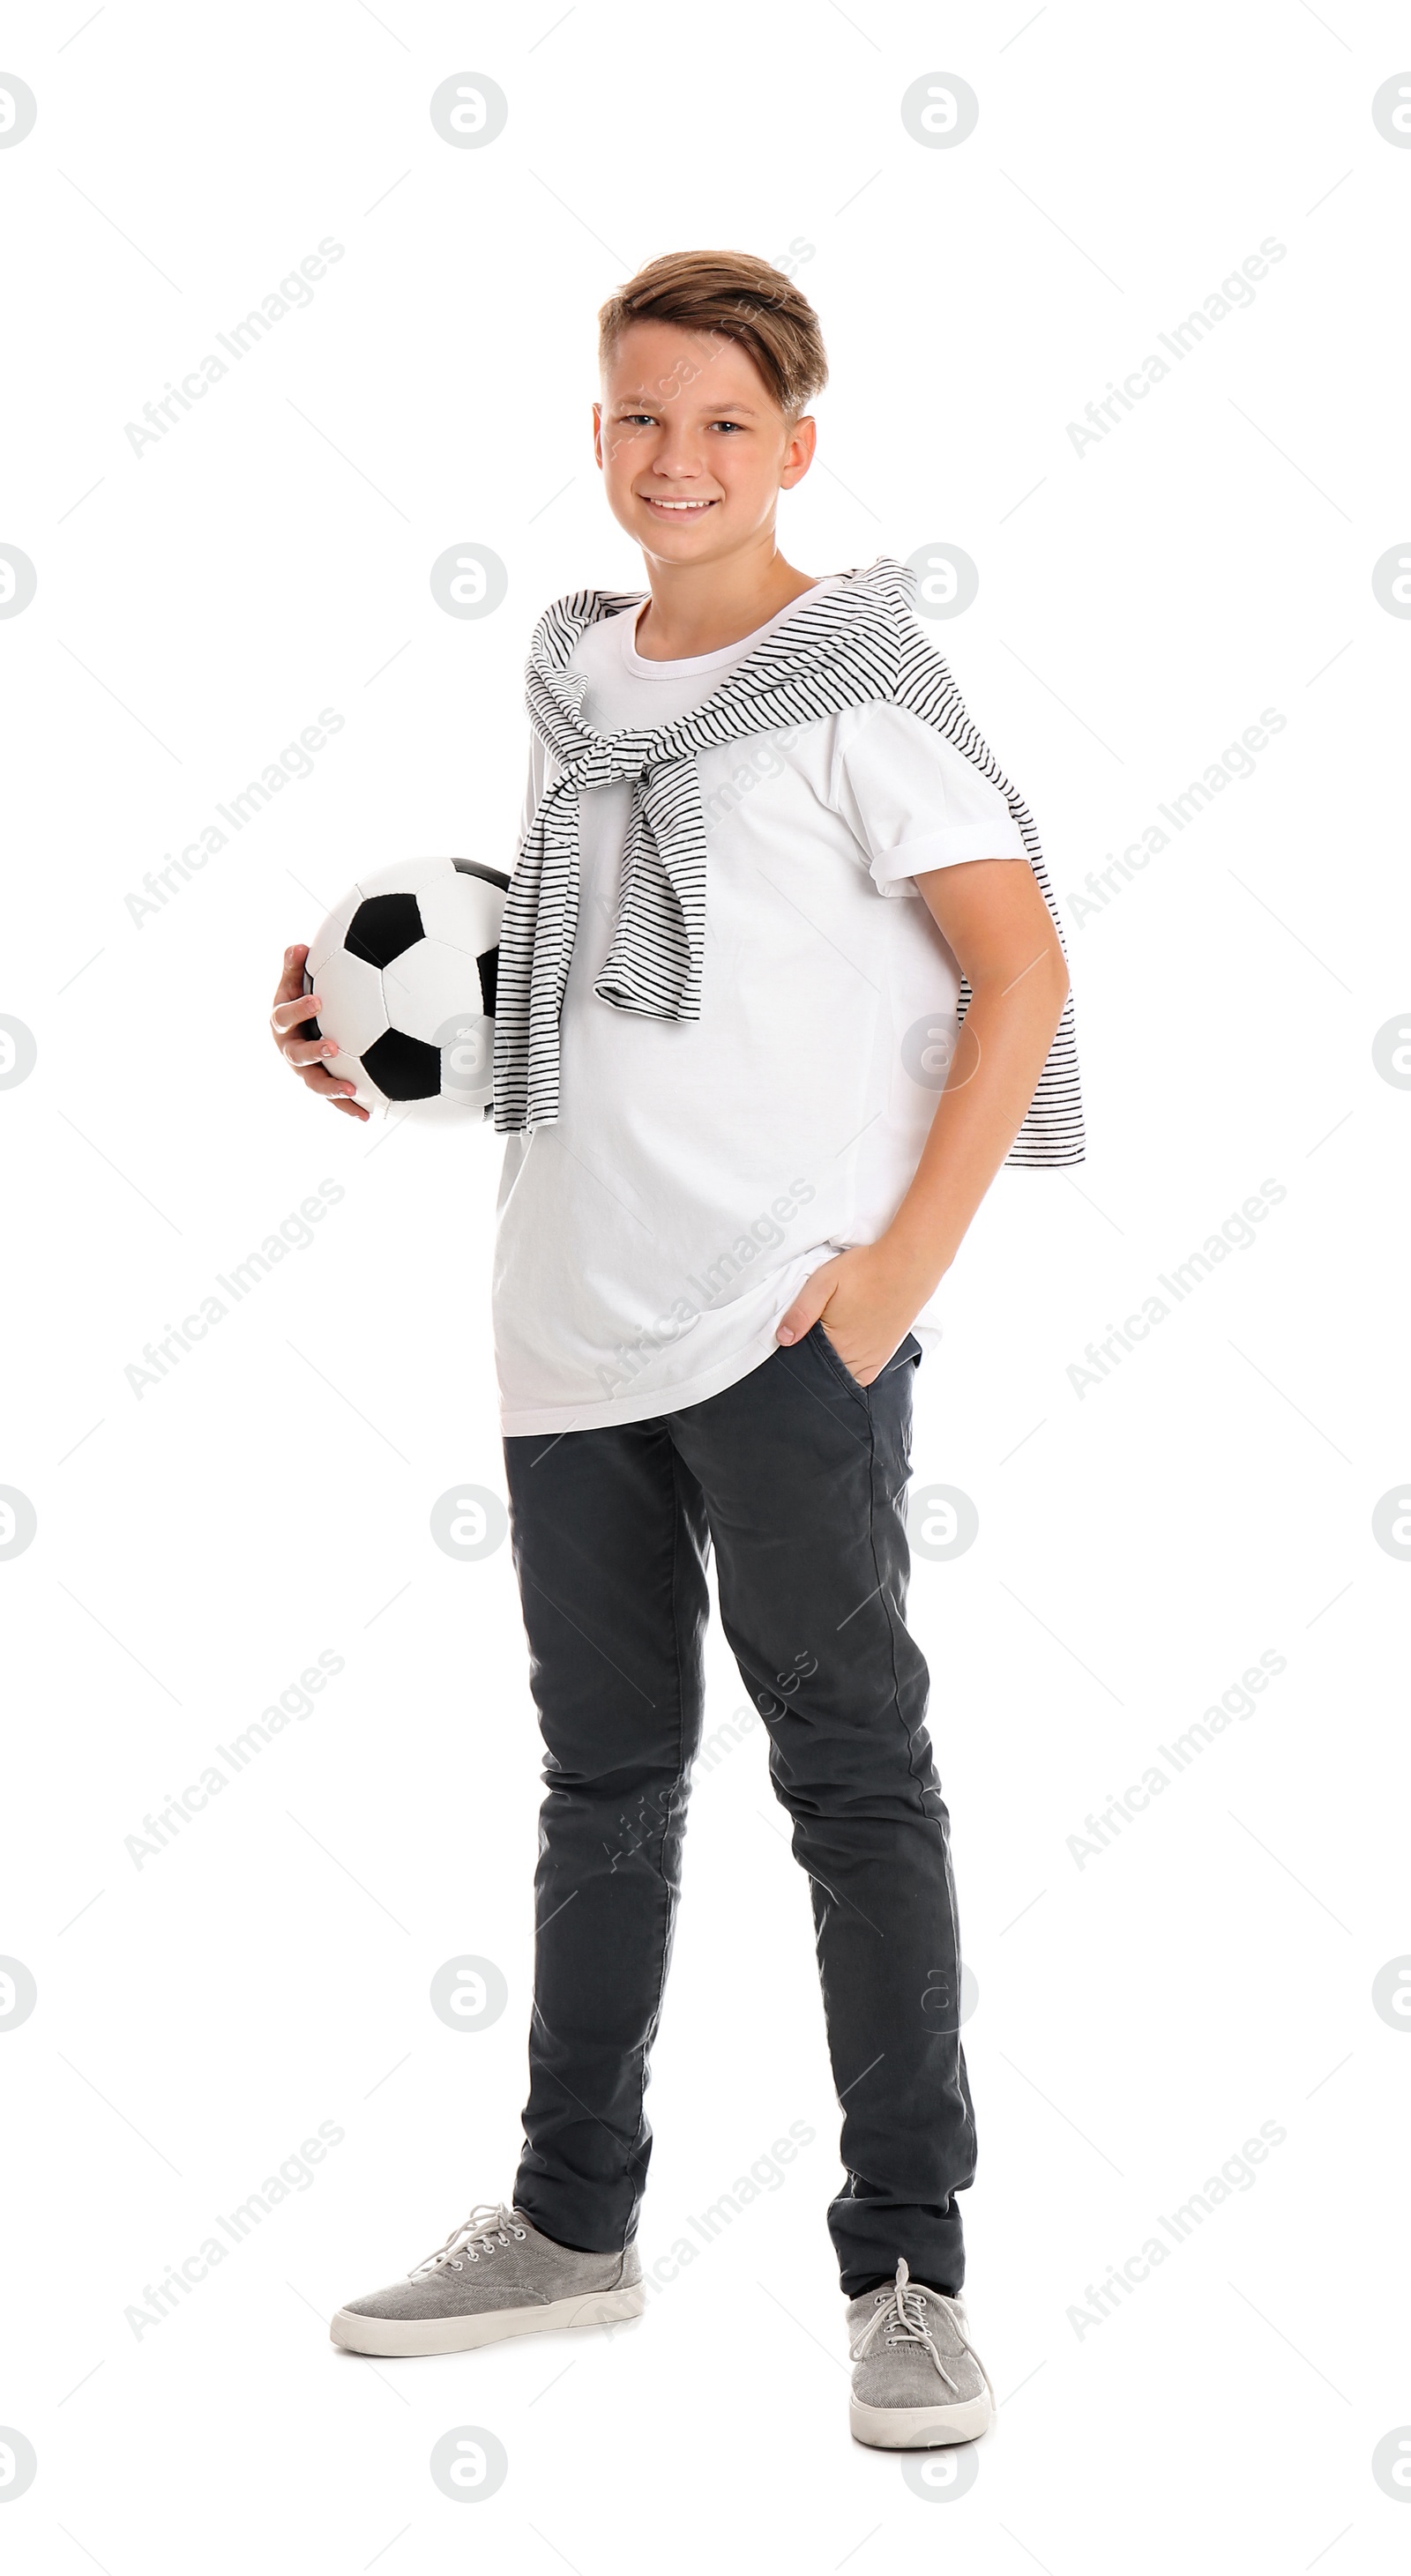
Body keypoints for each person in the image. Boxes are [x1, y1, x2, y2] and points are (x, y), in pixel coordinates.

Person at [270, 249, 1082, 2450]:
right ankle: (570, 2221)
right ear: (597, 432)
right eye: (640, 418)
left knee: (853, 1784)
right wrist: (365, 1029)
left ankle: (906, 2266)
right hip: (565, 1318)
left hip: (778, 1326)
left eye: (723, 424)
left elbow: (1014, 973)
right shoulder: (572, 682)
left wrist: (893, 1277)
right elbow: (566, 977)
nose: (675, 460)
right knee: (602, 1785)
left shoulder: (857, 688)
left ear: (795, 446)